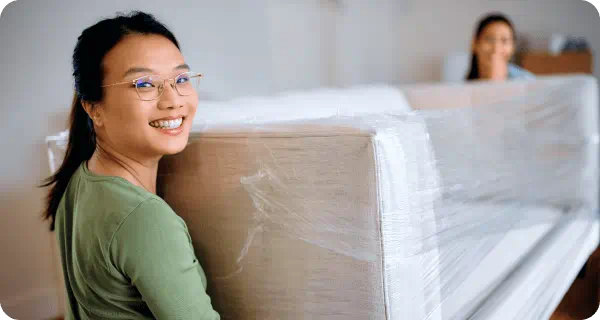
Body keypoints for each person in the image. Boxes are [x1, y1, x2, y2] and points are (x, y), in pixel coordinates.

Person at [40, 11, 220, 319]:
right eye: (145, 84)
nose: (174, 100)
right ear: (93, 108)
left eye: (180, 79)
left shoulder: (80, 180)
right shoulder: (146, 218)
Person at [466, 13, 535, 81]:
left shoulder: (527, 82)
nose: (496, 48)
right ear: (474, 44)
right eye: (489, 39)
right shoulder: (464, 85)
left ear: (513, 47)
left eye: (504, 40)